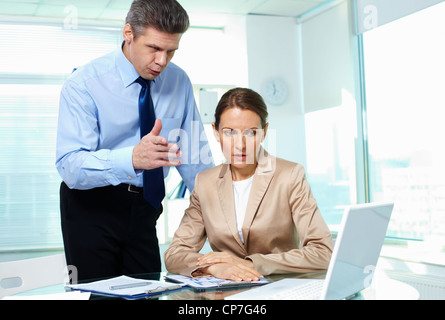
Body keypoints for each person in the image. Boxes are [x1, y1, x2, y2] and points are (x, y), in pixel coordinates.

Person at [56, 0, 213, 281]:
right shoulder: (84, 83)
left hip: (145, 206)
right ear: (128, 33)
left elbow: (194, 157)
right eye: (154, 48)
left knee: (148, 290)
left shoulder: (179, 81)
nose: (162, 61)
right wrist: (131, 159)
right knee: (100, 295)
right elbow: (70, 166)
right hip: (91, 206)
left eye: (171, 51)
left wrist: (219, 207)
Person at [164, 88, 333, 281]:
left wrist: (250, 264)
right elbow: (174, 254)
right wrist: (214, 268)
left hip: (280, 289)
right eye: (229, 133)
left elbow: (323, 252)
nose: (240, 145)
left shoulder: (289, 175)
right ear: (216, 132)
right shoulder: (205, 183)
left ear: (265, 132)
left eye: (251, 133)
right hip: (227, 294)